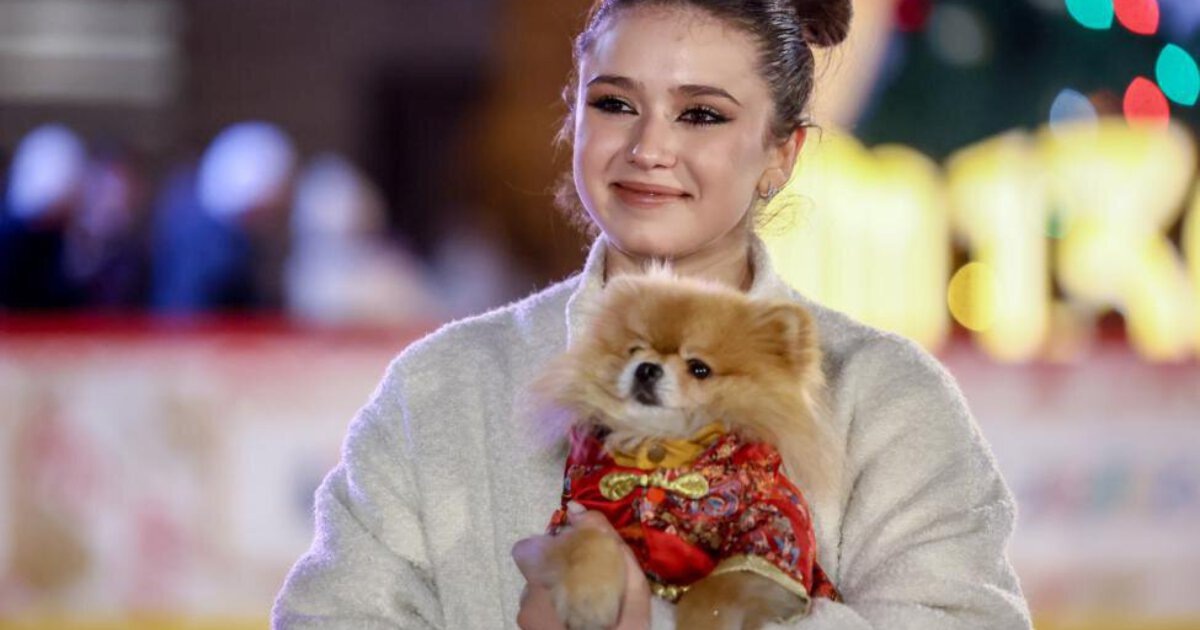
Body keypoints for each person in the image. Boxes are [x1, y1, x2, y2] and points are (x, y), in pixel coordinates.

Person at [272, 0, 1033, 628]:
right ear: (574, 115)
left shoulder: (888, 397)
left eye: (701, 114)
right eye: (614, 104)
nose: (648, 147)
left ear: (782, 153)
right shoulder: (441, 385)